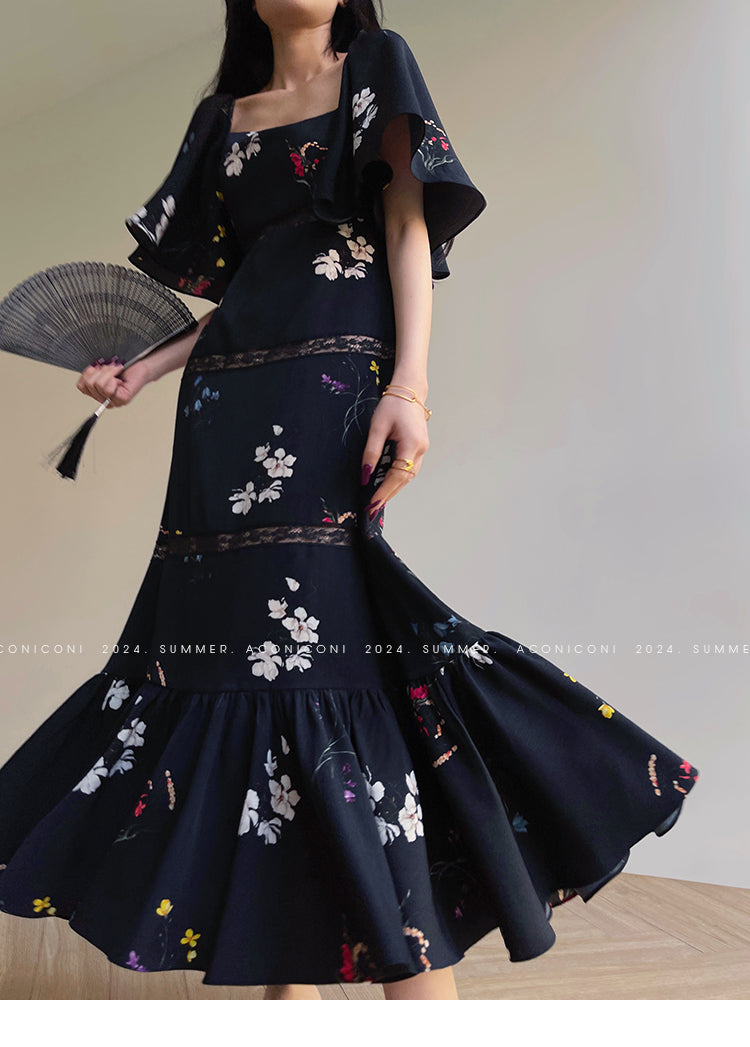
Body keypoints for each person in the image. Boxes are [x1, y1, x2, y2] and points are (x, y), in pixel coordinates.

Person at [0, 0, 699, 1002]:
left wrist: (410, 387)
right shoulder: (224, 117)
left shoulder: (378, 64)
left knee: (325, 639)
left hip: (331, 383)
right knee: (229, 644)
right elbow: (242, 287)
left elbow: (406, 225)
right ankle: (291, 966)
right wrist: (141, 371)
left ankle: (404, 948)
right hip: (223, 403)